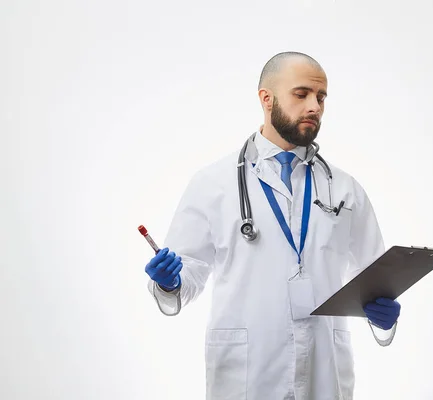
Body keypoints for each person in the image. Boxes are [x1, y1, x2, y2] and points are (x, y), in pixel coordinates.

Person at [144, 51, 401, 400]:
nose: (315, 106)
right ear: (267, 98)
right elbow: (189, 274)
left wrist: (383, 318)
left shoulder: (344, 189)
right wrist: (170, 282)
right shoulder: (212, 184)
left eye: (321, 97)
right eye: (302, 94)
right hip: (247, 375)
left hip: (324, 374)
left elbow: (376, 277)